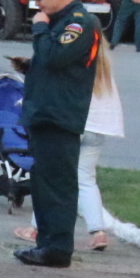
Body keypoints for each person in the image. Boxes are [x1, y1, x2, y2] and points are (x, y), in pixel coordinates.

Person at [14, 0, 99, 268]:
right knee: (43, 182)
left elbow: (55, 56)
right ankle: (45, 243)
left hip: (59, 115)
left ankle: (58, 247)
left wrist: (40, 30)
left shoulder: (79, 22)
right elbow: (51, 63)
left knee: (58, 185)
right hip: (45, 113)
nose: (38, 5)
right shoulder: (59, 22)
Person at [17, 36, 121, 252]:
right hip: (99, 125)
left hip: (72, 123)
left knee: (51, 176)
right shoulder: (104, 63)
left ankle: (37, 228)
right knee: (86, 178)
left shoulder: (74, 61)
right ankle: (98, 231)